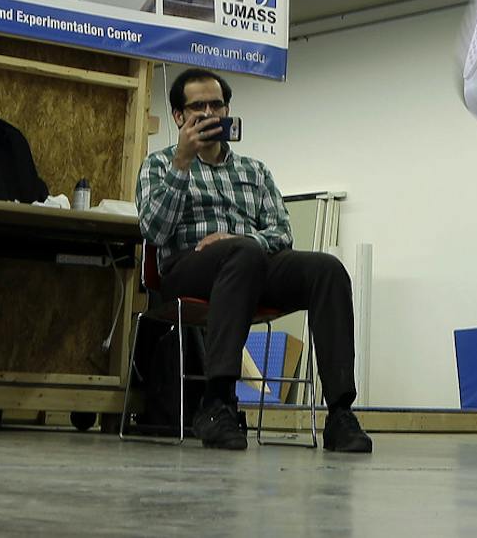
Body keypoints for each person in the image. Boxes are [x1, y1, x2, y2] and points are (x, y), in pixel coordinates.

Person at [136, 68, 371, 453]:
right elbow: (154, 232)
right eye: (198, 107)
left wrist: (242, 239)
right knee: (241, 254)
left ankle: (340, 413)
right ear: (179, 117)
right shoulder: (160, 165)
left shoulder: (254, 170)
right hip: (187, 268)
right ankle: (217, 402)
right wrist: (182, 161)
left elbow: (281, 232)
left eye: (217, 105)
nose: (210, 113)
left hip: (251, 262)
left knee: (325, 269)